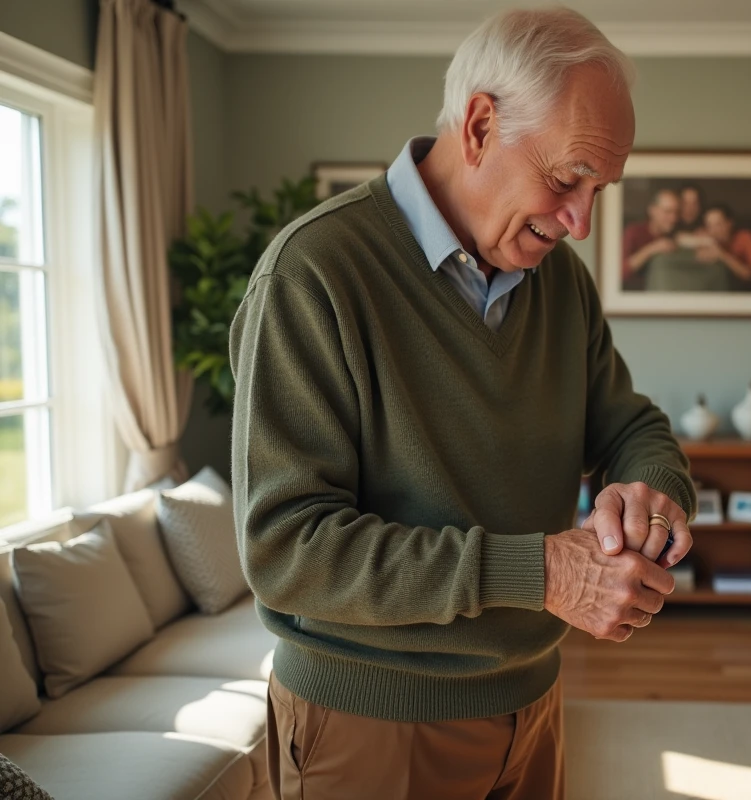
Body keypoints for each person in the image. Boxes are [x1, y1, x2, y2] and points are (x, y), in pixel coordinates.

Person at [228, 8, 696, 800]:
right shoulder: (313, 273)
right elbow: (286, 551)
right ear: (480, 126)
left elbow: (630, 426)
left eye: (599, 190)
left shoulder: (559, 280)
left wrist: (650, 489)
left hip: (532, 701)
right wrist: (542, 571)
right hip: (371, 719)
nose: (582, 222)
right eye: (567, 179)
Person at [621, 187, 679, 287]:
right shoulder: (633, 232)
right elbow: (620, 272)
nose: (673, 218)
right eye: (667, 212)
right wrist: (653, 248)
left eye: (676, 212)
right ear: (652, 211)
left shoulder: (675, 234)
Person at [696, 203, 751, 287]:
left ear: (729, 223)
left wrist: (721, 254)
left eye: (718, 224)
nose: (713, 231)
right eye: (709, 226)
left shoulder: (746, 237)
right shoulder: (708, 238)